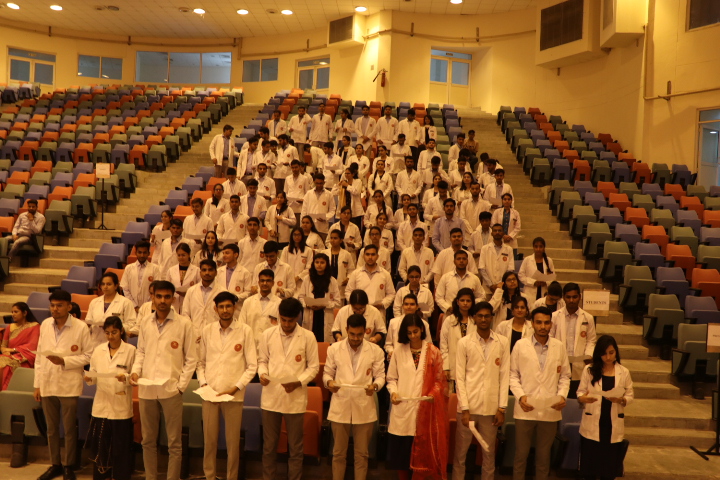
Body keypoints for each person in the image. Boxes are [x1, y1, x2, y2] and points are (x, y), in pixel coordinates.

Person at [130, 281, 197, 480]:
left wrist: (180, 386)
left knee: (174, 443)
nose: (162, 301)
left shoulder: (184, 324)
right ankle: (151, 477)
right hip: (147, 388)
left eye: (167, 297)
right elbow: (141, 352)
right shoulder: (145, 322)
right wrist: (135, 371)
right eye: (159, 296)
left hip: (171, 389)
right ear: (152, 297)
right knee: (147, 440)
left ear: (173, 299)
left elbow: (191, 359)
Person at [196, 291, 258, 480]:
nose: (225, 310)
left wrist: (236, 387)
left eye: (228, 306)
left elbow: (252, 366)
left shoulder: (245, 331)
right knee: (209, 441)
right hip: (209, 394)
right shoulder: (207, 330)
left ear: (234, 307)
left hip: (233, 394)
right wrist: (204, 384)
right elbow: (200, 363)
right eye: (221, 307)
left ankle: (232, 477)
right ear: (215, 309)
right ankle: (209, 476)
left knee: (232, 443)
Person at [258, 298, 319, 480]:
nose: (286, 324)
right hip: (271, 396)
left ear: (298, 317)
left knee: (295, 448)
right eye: (283, 320)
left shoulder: (308, 336)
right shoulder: (268, 334)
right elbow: (262, 361)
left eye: (290, 321)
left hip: (295, 397)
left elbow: (313, 367)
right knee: (269, 447)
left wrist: (298, 382)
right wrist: (262, 374)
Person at [34, 290, 92, 480]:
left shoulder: (80, 327)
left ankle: (68, 465)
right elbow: (39, 357)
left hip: (69, 383)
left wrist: (65, 361)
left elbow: (88, 356)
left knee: (68, 428)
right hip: (48, 381)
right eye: (52, 305)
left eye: (59, 305)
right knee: (51, 428)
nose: (55, 309)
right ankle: (55, 464)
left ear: (69, 306)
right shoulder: (45, 324)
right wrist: (37, 384)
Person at [510, 307, 571, 480]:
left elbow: (565, 376)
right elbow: (513, 375)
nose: (543, 326)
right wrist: (521, 396)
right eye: (539, 322)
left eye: (546, 322)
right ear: (532, 323)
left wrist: (562, 396)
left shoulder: (559, 346)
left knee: (544, 458)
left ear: (551, 324)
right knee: (521, 456)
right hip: (525, 408)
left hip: (550, 409)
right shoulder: (520, 345)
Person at [324, 314, 386, 480]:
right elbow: (327, 373)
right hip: (340, 402)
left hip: (363, 403)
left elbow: (381, 376)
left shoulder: (376, 351)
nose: (356, 338)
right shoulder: (334, 348)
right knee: (338, 453)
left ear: (366, 331)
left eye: (359, 335)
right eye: (352, 334)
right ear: (346, 330)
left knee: (362, 454)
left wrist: (375, 386)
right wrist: (329, 382)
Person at [386, 314, 448, 479]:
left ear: (421, 329)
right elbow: (391, 378)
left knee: (422, 458)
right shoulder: (399, 351)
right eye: (409, 333)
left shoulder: (433, 352)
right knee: (402, 458)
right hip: (402, 409)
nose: (413, 336)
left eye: (415, 332)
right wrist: (394, 392)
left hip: (425, 411)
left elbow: (439, 380)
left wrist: (432, 394)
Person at [453, 301, 510, 480]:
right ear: (474, 318)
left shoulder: (502, 342)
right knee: (460, 454)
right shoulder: (464, 343)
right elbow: (459, 378)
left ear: (492, 317)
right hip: (468, 407)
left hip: (491, 408)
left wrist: (501, 408)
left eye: (487, 316)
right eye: (480, 316)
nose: (484, 319)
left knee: (488, 453)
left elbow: (505, 376)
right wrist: (464, 408)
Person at [83, 316, 135, 480]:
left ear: (121, 331)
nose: (111, 336)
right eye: (107, 333)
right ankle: (101, 476)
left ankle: (120, 476)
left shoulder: (130, 351)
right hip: (101, 404)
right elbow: (93, 373)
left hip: (121, 405)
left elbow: (135, 376)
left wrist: (126, 378)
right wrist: (89, 378)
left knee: (120, 447)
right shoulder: (99, 350)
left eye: (114, 332)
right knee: (101, 446)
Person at [577, 335, 634, 480]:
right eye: (604, 354)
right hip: (592, 422)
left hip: (612, 424)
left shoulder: (623, 372)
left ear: (616, 352)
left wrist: (621, 399)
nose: (608, 357)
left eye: (611, 353)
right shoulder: (589, 370)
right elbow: (580, 392)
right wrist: (583, 398)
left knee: (608, 470)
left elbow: (630, 395)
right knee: (589, 470)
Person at [550, 282, 597, 396]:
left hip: (579, 362)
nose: (571, 300)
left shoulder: (588, 318)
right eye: (568, 297)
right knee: (559, 395)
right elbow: (550, 338)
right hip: (560, 359)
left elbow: (591, 340)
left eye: (574, 297)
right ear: (563, 297)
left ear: (580, 297)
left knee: (576, 395)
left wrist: (588, 355)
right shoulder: (555, 316)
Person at [298, 253, 341, 342]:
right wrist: (307, 304)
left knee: (324, 341)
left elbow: (337, 302)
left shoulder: (332, 281)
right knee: (310, 341)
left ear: (327, 264)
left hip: (325, 314)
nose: (319, 265)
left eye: (322, 262)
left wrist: (325, 305)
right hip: (310, 313)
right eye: (317, 262)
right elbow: (301, 297)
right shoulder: (307, 279)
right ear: (313, 263)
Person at [86, 272, 137, 347]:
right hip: (95, 343)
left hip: (116, 343)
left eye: (109, 284)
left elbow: (131, 323)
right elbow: (88, 321)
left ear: (116, 286)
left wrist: (116, 328)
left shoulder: (126, 302)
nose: (105, 287)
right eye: (103, 284)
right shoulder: (94, 302)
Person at [346, 244, 395, 318]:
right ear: (363, 256)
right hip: (359, 312)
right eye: (367, 254)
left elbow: (391, 294)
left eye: (373, 254)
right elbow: (348, 291)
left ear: (377, 256)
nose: (370, 257)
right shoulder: (355, 273)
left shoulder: (385, 274)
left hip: (378, 312)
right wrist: (356, 304)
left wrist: (382, 304)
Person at [440, 288, 477, 385]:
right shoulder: (449, 320)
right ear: (457, 302)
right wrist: (446, 367)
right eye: (462, 300)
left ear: (472, 302)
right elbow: (443, 345)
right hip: (453, 363)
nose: (465, 303)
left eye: (468, 301)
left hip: (471, 363)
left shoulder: (475, 321)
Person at [182, 259, 224, 341]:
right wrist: (193, 331)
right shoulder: (191, 291)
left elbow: (223, 316)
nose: (207, 273)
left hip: (215, 335)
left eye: (210, 270)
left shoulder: (222, 292)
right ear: (200, 272)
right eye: (204, 270)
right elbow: (185, 314)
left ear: (216, 272)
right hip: (194, 334)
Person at [0, 302, 39, 391]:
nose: (13, 314)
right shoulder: (10, 327)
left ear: (25, 313)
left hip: (25, 357)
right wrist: (4, 350)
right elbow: (3, 346)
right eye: (12, 312)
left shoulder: (35, 326)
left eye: (16, 312)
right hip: (8, 356)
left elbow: (33, 346)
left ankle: (5, 391)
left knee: (5, 365)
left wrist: (13, 350)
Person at [239, 268, 282, 342]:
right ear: (258, 283)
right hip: (250, 342)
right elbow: (241, 325)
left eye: (268, 281)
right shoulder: (248, 302)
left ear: (273, 283)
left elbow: (281, 327)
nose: (265, 283)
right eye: (262, 281)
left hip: (271, 343)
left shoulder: (280, 303)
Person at [386, 295, 432, 359]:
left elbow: (428, 344)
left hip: (418, 357)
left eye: (412, 304)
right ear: (402, 306)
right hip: (397, 356)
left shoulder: (424, 324)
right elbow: (388, 344)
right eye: (406, 304)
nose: (409, 307)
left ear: (417, 306)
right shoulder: (393, 322)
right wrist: (391, 352)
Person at [121, 240, 161, 311]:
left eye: (144, 252)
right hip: (131, 306)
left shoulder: (155, 268)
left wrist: (146, 306)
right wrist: (134, 306)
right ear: (135, 253)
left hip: (149, 306)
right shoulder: (128, 268)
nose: (142, 255)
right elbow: (125, 289)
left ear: (149, 253)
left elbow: (156, 289)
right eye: (140, 252)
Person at [479, 223, 515, 291]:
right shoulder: (485, 248)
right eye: (495, 231)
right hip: (488, 288)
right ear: (491, 233)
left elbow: (510, 269)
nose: (497, 232)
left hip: (503, 287)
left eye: (499, 231)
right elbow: (482, 268)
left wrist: (500, 284)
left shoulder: (509, 249)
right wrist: (491, 285)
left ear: (503, 233)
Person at [166, 243, 200, 312]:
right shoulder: (171, 270)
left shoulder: (196, 270)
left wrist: (187, 293)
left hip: (190, 301)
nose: (181, 257)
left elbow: (199, 288)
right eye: (179, 255)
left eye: (183, 255)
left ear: (189, 254)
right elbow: (166, 288)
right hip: (174, 302)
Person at [323, 229, 356, 298]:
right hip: (326, 284)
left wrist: (348, 278)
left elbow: (351, 270)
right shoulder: (324, 253)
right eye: (331, 238)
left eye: (335, 238)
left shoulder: (347, 254)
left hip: (341, 286)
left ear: (341, 240)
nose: (332, 240)